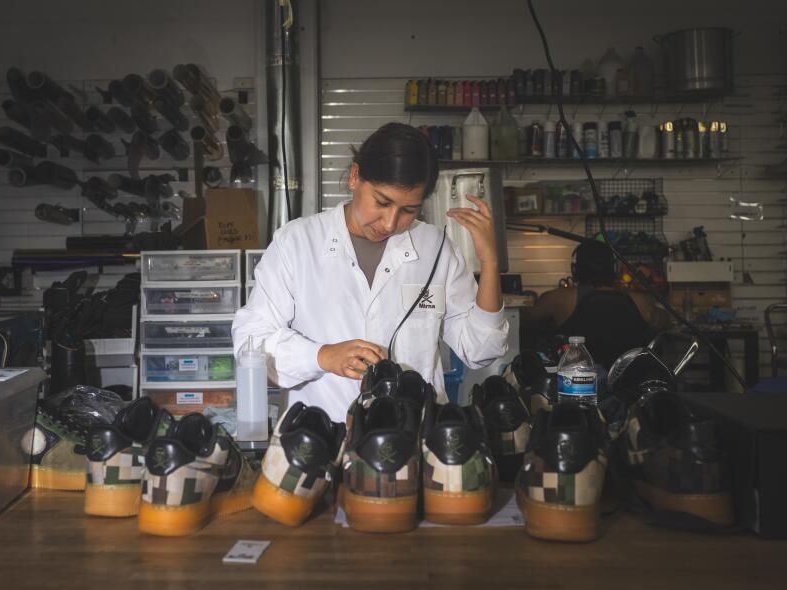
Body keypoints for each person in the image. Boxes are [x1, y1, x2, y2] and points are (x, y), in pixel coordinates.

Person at [232, 123, 509, 422]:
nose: (390, 223)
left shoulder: (437, 249)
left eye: (409, 210)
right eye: (382, 202)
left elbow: (480, 350)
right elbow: (251, 340)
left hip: (415, 438)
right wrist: (321, 356)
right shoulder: (298, 242)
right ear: (355, 176)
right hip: (324, 436)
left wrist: (491, 263)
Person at [520, 240, 670, 369]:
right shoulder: (639, 300)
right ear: (614, 269)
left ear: (575, 269)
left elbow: (523, 320)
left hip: (577, 381)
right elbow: (664, 322)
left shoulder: (559, 298)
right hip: (626, 384)